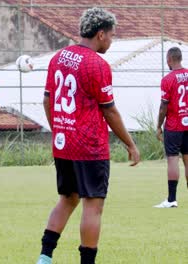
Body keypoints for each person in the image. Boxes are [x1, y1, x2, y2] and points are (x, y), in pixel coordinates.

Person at [36, 8, 140, 264]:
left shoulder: (59, 57)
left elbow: (47, 100)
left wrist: (59, 129)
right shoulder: (97, 64)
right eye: (112, 36)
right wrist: (130, 144)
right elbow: (110, 111)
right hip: (89, 147)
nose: (112, 41)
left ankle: (45, 257)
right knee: (93, 206)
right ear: (101, 34)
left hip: (63, 143)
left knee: (67, 199)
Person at [154, 47, 188, 208]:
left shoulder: (168, 79)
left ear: (169, 59)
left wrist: (159, 125)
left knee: (173, 160)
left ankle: (171, 199)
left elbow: (163, 106)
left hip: (174, 126)